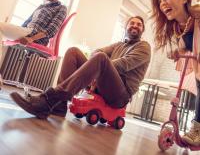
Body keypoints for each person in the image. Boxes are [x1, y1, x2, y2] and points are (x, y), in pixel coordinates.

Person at [10, 16, 151, 120]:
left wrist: (99, 69)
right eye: (132, 23)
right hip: (103, 85)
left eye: (139, 24)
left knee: (101, 58)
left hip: (120, 95)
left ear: (142, 30)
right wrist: (94, 70)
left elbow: (123, 64)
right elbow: (97, 51)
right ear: (126, 27)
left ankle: (49, 99)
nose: (135, 25)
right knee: (73, 52)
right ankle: (59, 106)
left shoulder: (143, 47)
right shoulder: (120, 44)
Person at [151, 0, 200, 146]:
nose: (162, 3)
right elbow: (185, 46)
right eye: (160, 1)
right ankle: (197, 130)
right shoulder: (178, 28)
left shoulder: (198, 13)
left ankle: (197, 130)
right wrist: (176, 53)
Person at [0, 0, 67, 87]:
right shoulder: (41, 6)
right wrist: (15, 33)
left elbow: (52, 30)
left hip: (36, 36)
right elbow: (27, 22)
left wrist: (31, 38)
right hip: (26, 31)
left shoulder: (61, 8)